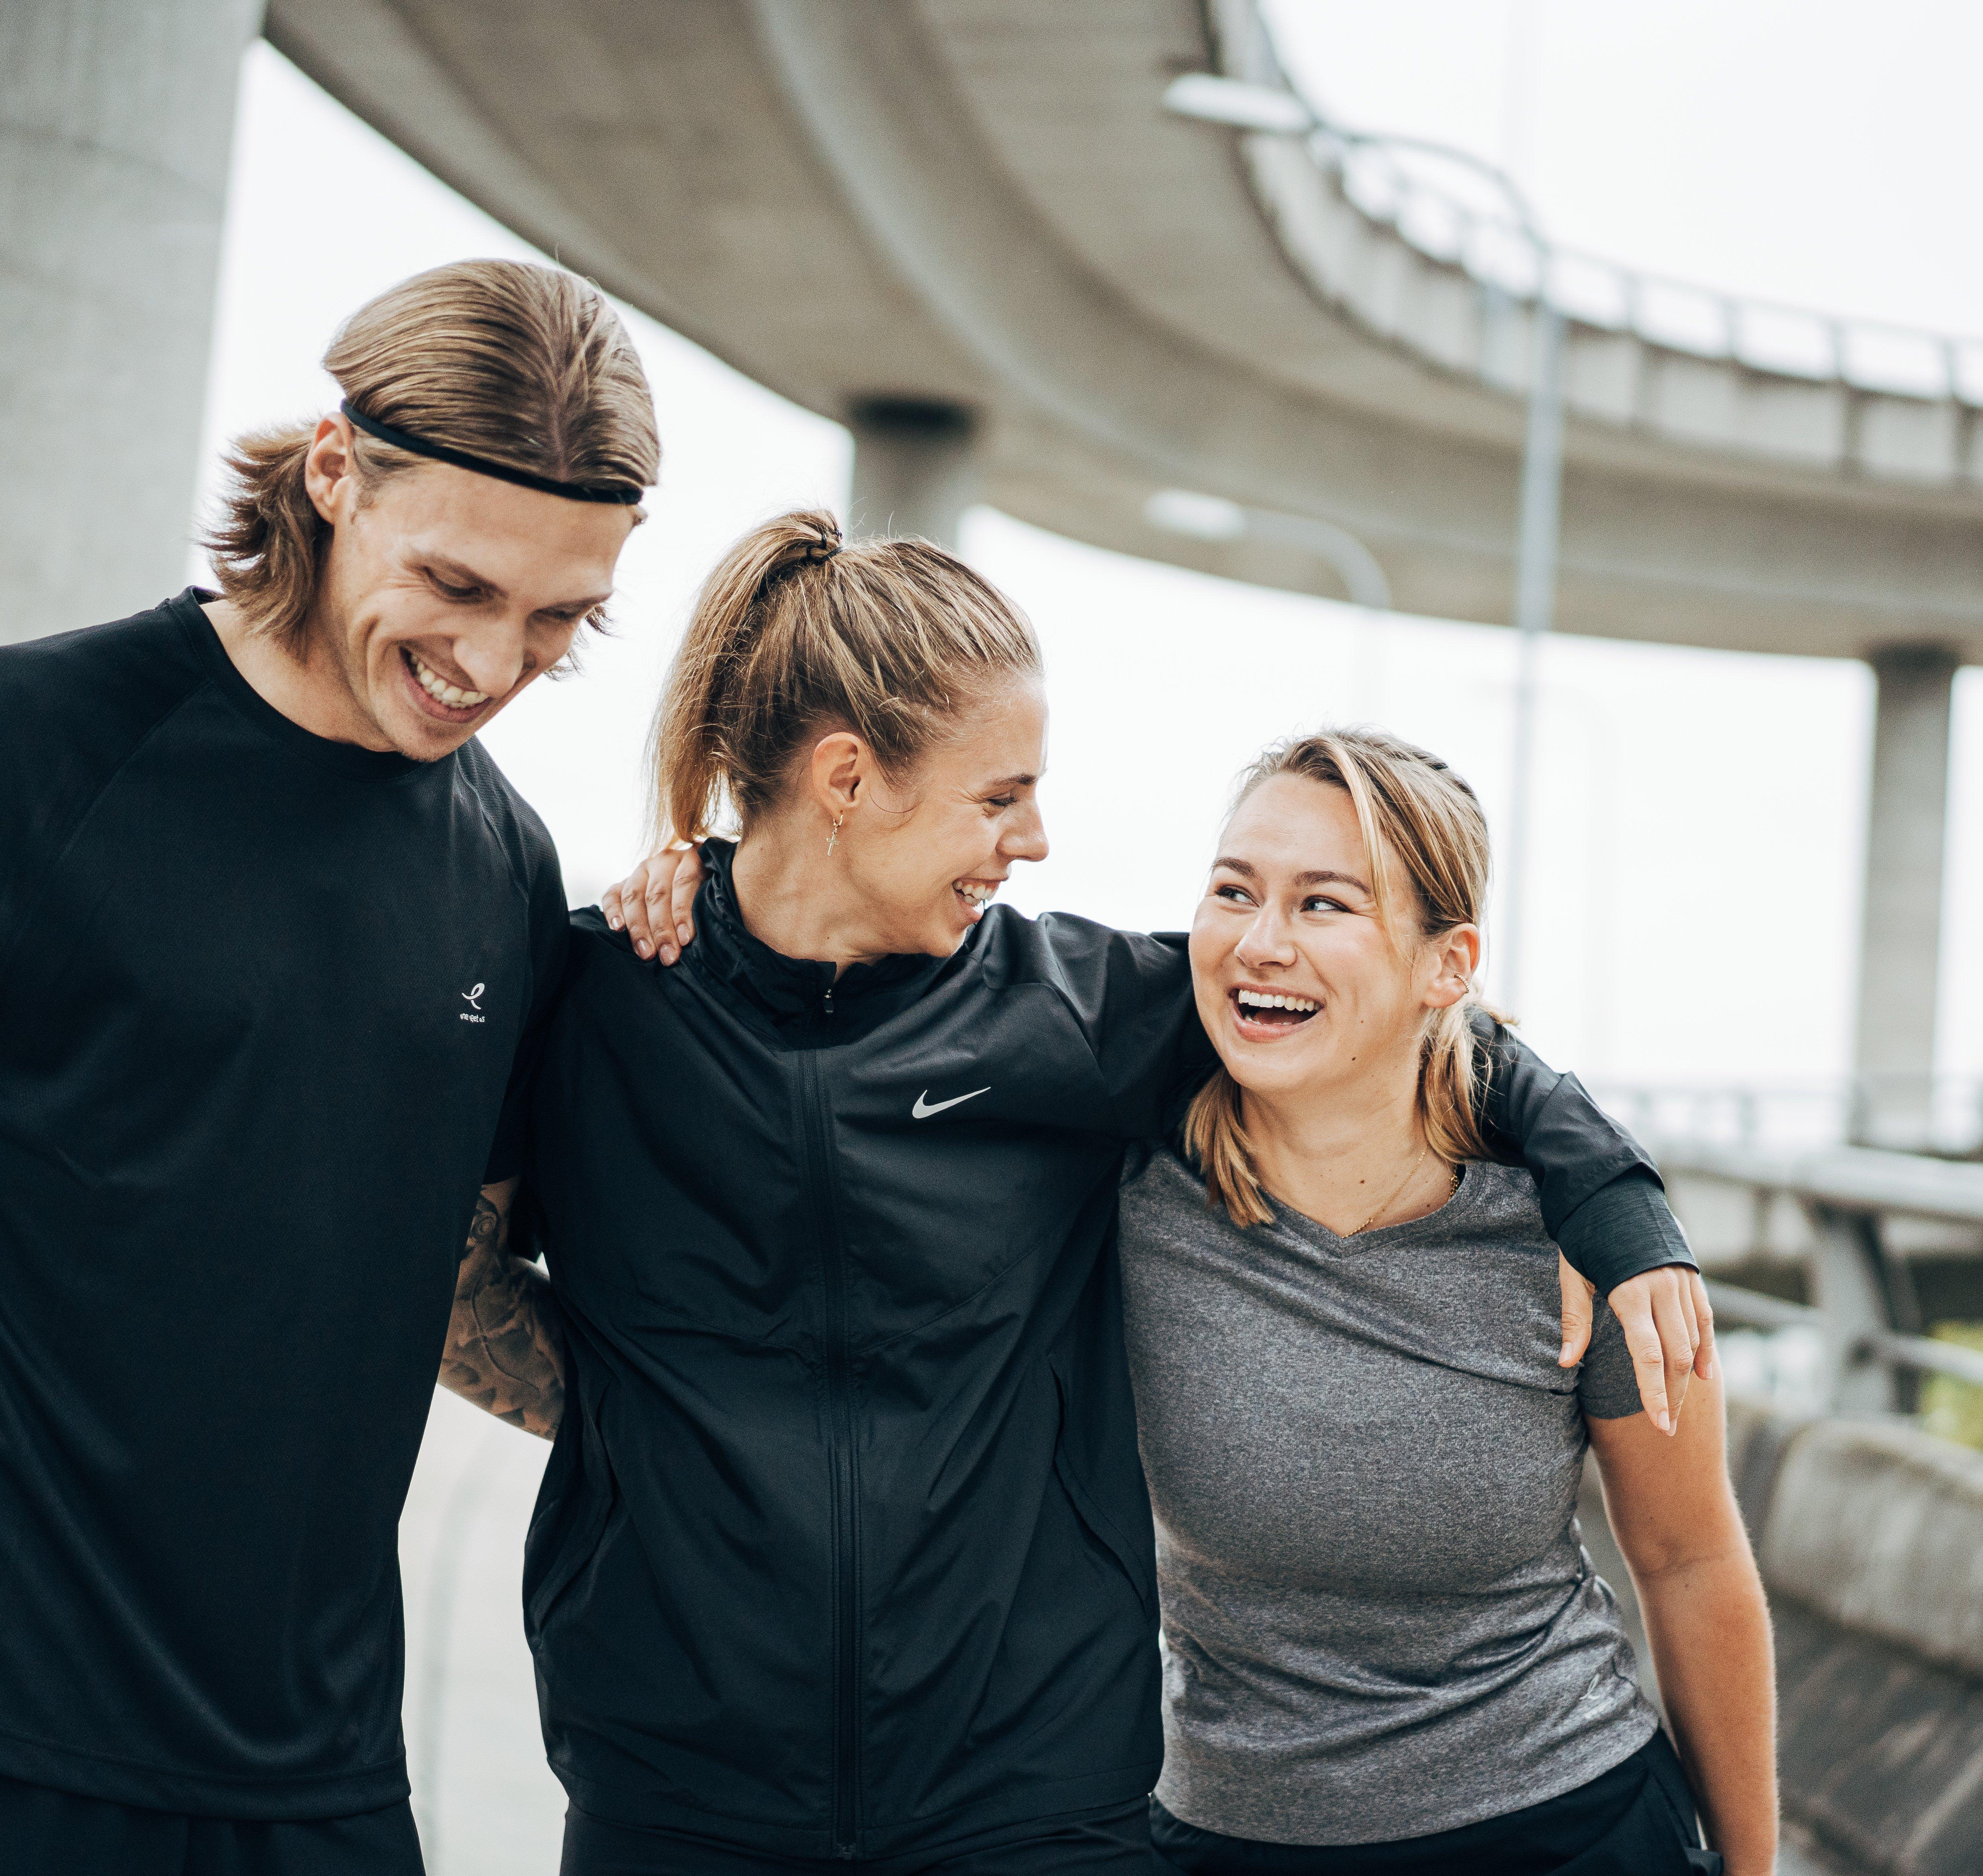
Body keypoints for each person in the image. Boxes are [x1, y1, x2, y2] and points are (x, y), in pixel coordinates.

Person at [452, 511, 1716, 1875]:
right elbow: (441, 1281)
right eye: (999, 798)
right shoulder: (591, 1007)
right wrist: (661, 1431)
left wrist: (1617, 1200)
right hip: (676, 1795)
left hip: (1038, 1802)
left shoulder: (1074, 1014)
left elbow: (1401, 1024)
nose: (1037, 840)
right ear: (845, 780)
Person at [0, 259, 656, 1876]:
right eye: (458, 586)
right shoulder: (21, 744)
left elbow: (453, 1280)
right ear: (335, 474)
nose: (495, 662)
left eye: (558, 618)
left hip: (312, 1760)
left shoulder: (500, 868)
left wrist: (715, 1414)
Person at [1123, 729, 1777, 1875]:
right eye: (1235, 891)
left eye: (1325, 904)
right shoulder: (1126, 1198)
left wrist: (1754, 1870)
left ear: (1447, 965)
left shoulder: (1579, 1239)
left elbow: (1689, 1560)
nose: (1260, 943)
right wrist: (709, 883)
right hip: (1230, 1840)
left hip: (1568, 1825)